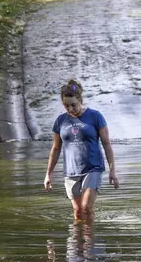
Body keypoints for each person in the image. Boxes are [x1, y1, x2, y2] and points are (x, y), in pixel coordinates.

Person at [44, 79, 119, 222]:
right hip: (70, 171)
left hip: (93, 168)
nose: (70, 109)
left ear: (80, 100)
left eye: (73, 105)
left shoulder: (95, 116)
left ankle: (90, 242)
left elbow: (107, 144)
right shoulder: (61, 121)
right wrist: (48, 174)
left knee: (86, 207)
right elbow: (56, 148)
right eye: (66, 106)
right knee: (78, 212)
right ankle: (78, 242)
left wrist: (112, 170)